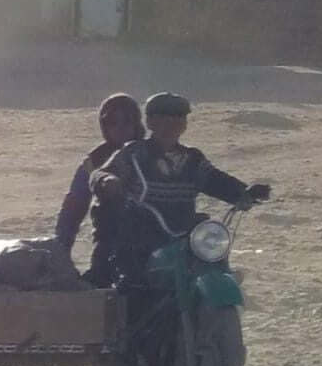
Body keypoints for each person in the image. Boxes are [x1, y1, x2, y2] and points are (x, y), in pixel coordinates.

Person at [86, 92, 267, 286]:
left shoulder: (192, 159)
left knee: (211, 262)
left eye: (179, 116)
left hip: (184, 236)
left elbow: (215, 180)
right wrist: (107, 180)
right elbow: (101, 174)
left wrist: (243, 192)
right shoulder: (135, 153)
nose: (172, 122)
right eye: (164, 116)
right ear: (150, 122)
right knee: (133, 287)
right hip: (141, 239)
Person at [55, 93, 144, 283]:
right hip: (111, 239)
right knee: (100, 285)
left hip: (153, 235)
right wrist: (61, 248)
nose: (120, 127)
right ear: (104, 127)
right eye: (112, 122)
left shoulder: (153, 152)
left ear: (136, 123)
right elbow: (73, 207)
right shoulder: (94, 160)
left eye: (126, 120)